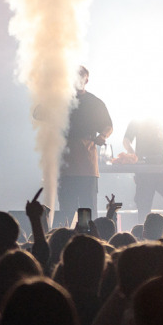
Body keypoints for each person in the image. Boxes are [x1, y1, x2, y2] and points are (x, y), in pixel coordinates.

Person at [57, 67, 112, 225]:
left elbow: (108, 125)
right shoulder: (60, 100)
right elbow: (39, 113)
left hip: (86, 162)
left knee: (88, 207)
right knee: (67, 208)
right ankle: (66, 237)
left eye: (82, 77)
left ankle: (90, 238)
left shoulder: (95, 103)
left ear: (87, 80)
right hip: (65, 163)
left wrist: (102, 135)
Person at [119, 115, 163, 217]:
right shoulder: (137, 120)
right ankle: (143, 230)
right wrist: (133, 155)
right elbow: (126, 140)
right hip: (144, 169)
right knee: (143, 204)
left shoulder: (162, 121)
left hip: (162, 167)